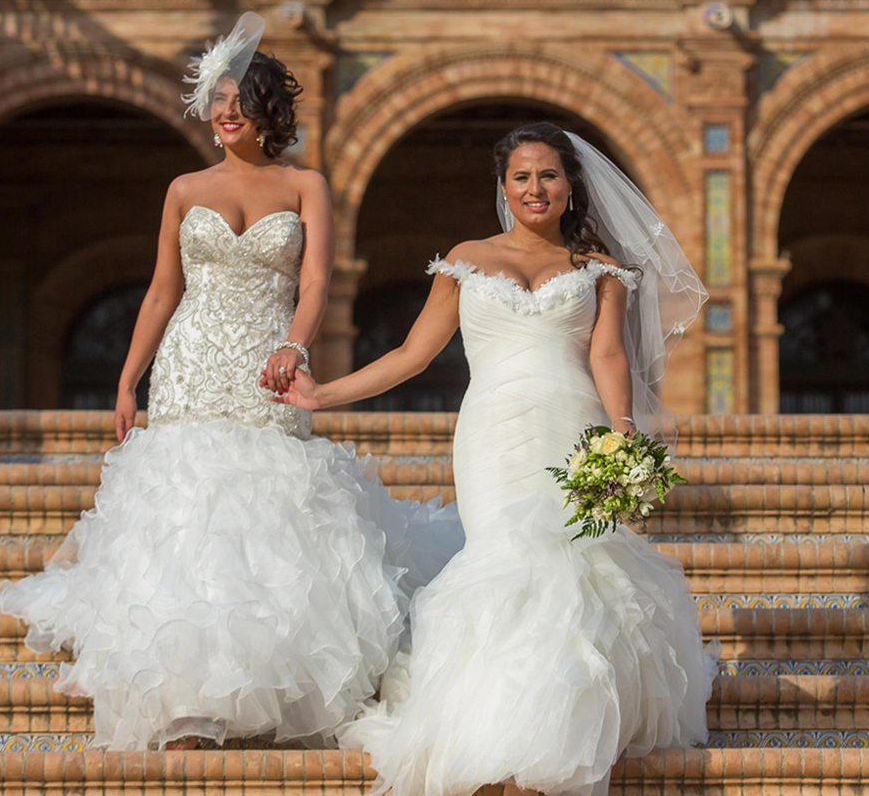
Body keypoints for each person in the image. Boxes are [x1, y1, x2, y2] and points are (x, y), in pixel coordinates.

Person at [0, 13, 460, 752]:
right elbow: (159, 291)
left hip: (266, 361)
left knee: (266, 506)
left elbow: (317, 281)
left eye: (237, 98)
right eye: (216, 99)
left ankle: (263, 679)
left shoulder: (306, 185)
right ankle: (185, 700)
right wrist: (127, 378)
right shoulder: (181, 187)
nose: (224, 111)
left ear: (267, 107)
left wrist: (296, 347)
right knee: (188, 505)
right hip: (191, 359)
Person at [273, 122, 719, 796]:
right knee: (500, 568)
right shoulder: (466, 258)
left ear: (570, 186)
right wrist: (322, 390)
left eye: (547, 175)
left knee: (567, 575)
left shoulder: (598, 267)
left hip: (572, 428)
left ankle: (547, 740)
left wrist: (623, 437)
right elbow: (411, 355)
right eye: (521, 176)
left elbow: (607, 355)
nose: (534, 188)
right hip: (490, 435)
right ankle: (495, 734)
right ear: (503, 186)